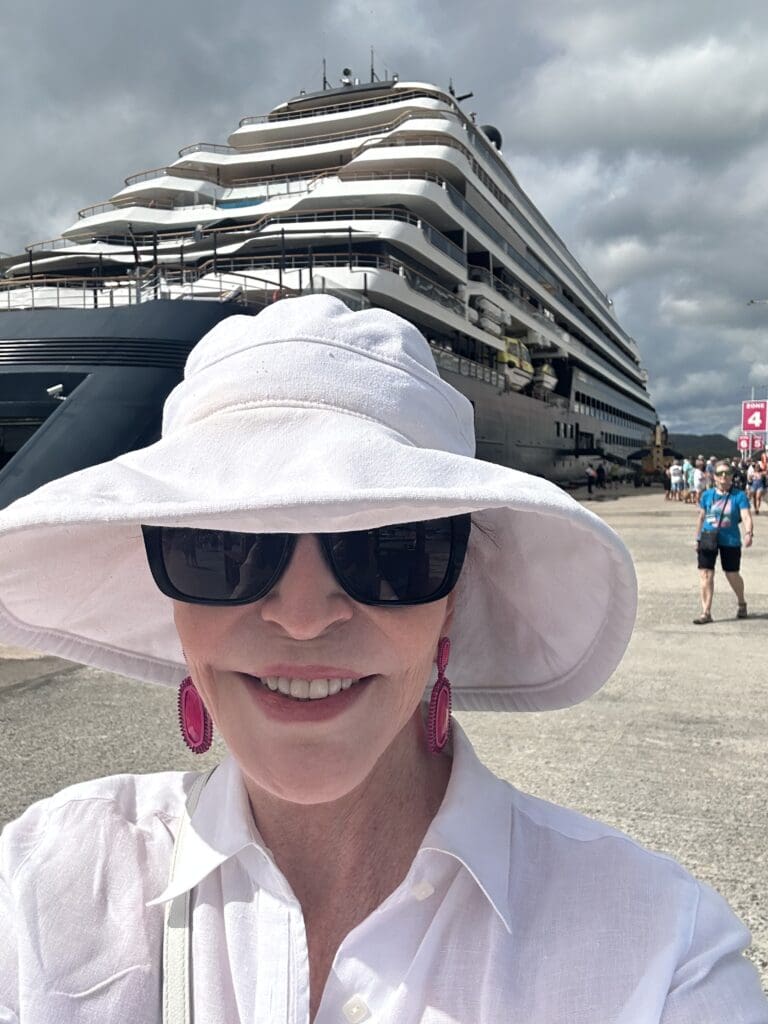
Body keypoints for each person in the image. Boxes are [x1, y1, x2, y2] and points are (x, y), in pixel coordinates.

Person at [0, 296, 765, 1021]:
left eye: (387, 548)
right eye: (219, 549)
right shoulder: (43, 883)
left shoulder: (661, 955)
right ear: (173, 601)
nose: (302, 619)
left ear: (453, 598)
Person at [693, 461, 754, 625]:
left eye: (727, 473)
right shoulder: (707, 495)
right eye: (720, 473)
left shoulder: (739, 496)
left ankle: (741, 602)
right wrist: (697, 538)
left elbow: (746, 516)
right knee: (705, 574)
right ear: (714, 477)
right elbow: (701, 517)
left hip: (730, 540)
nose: (724, 477)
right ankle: (706, 612)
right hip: (708, 537)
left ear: (732, 477)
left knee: (732, 574)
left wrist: (749, 533)